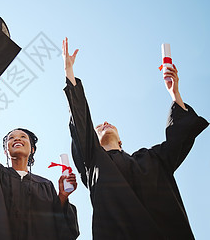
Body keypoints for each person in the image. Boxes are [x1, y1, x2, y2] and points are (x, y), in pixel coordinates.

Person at [62, 37, 209, 239]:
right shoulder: (94, 163)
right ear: (92, 140)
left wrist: (175, 94)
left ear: (121, 141)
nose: (104, 123)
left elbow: (179, 138)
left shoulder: (151, 159)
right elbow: (80, 123)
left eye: (108, 123)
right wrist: (69, 74)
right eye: (98, 127)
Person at [0, 70, 80, 240]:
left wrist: (63, 196)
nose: (17, 139)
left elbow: (59, 225)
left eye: (23, 137)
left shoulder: (45, 185)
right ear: (5, 150)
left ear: (32, 149)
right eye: (11, 138)